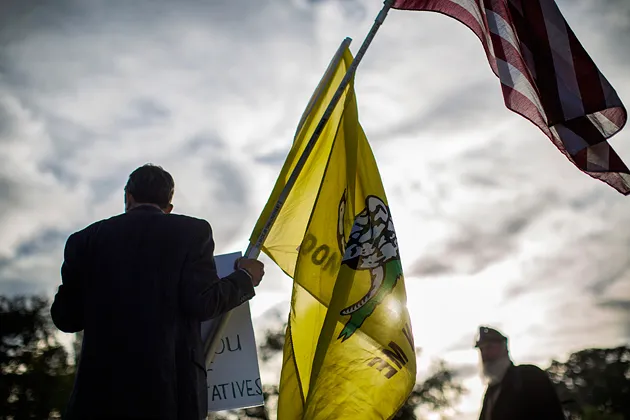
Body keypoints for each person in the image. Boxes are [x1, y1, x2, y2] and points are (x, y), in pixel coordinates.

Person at [51, 163, 265, 420]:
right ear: (169, 207)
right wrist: (245, 278)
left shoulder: (83, 241)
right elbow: (203, 303)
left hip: (98, 399)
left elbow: (66, 317)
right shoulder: (193, 232)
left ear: (128, 198)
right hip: (170, 397)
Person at [475, 326, 565, 420]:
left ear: (504, 347)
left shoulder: (529, 376)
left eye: (489, 347)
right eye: (482, 349)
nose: (485, 354)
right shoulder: (491, 392)